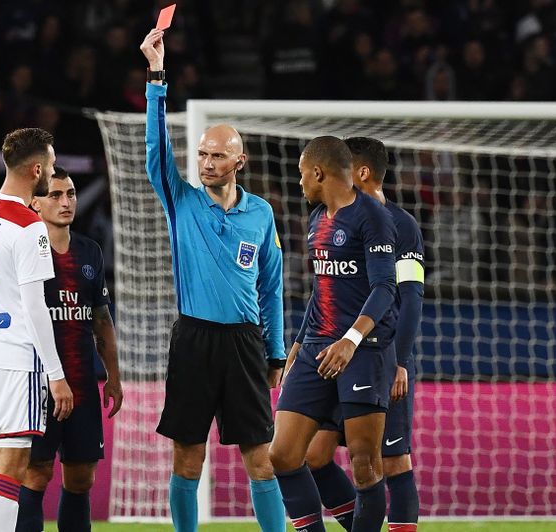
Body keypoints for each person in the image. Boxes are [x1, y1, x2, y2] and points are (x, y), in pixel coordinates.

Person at [139, 28, 287, 532]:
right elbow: (156, 152)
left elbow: (271, 287)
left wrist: (276, 353)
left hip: (245, 343)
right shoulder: (181, 201)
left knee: (260, 458)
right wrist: (156, 78)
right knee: (187, 456)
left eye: (217, 156)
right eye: (202, 154)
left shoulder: (261, 214)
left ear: (239, 161)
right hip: (194, 339)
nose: (206, 163)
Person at [270, 135, 397, 532]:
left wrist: (350, 340)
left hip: (363, 350)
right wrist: (297, 344)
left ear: (318, 172)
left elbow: (384, 288)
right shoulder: (316, 220)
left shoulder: (372, 217)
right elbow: (321, 289)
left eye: (301, 174)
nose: (300, 183)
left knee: (364, 464)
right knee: (283, 455)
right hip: (317, 348)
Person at [302, 137, 425, 531]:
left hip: (379, 356)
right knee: (315, 455)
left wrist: (400, 362)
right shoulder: (332, 219)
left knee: (392, 461)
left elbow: (410, 297)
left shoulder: (401, 226)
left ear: (362, 172)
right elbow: (321, 292)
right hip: (334, 357)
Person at [0, 128, 74, 532]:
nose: (53, 172)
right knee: (11, 466)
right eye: (52, 164)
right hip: (13, 357)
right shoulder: (28, 225)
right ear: (37, 170)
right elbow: (34, 306)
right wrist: (56, 375)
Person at [16, 167, 123, 532]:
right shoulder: (24, 251)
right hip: (38, 384)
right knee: (36, 473)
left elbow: (101, 320)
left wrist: (113, 377)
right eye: (56, 195)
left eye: (71, 194)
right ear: (35, 202)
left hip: (81, 384)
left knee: (81, 478)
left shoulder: (89, 251)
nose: (66, 202)